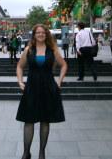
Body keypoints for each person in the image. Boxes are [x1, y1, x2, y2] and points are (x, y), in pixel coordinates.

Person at [16, 24, 67, 159]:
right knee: (29, 120)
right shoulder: (28, 50)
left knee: (45, 120)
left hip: (48, 87)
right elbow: (20, 66)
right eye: (38, 32)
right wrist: (20, 82)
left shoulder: (52, 50)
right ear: (34, 35)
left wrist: (59, 81)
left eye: (43, 33)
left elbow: (63, 65)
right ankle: (26, 152)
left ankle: (42, 153)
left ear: (46, 35)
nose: (40, 35)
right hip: (32, 87)